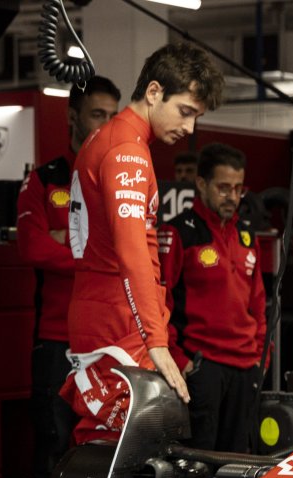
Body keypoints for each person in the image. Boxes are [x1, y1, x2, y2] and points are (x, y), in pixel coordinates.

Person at [63, 42, 224, 444]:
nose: (190, 128)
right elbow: (132, 250)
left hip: (108, 312)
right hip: (117, 321)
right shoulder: (127, 152)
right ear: (154, 92)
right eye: (185, 111)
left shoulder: (108, 139)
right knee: (120, 451)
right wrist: (157, 340)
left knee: (119, 447)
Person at [15, 76, 120, 478]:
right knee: (51, 443)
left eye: (113, 116)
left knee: (100, 446)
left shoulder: (118, 177)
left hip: (104, 341)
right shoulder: (44, 180)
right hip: (55, 336)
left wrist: (70, 244)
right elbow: (32, 247)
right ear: (73, 117)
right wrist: (92, 255)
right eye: (98, 114)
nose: (106, 125)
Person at [158, 143, 265, 453]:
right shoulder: (178, 232)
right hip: (202, 368)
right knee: (199, 467)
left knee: (239, 466)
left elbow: (258, 304)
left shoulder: (248, 235)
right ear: (202, 184)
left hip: (245, 369)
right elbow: (159, 304)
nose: (232, 196)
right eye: (223, 187)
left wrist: (260, 357)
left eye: (238, 188)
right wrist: (180, 360)